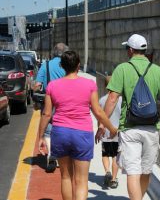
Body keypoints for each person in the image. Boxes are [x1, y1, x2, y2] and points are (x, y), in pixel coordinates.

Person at [103, 34, 160, 200]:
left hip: (130, 128)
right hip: (152, 128)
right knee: (146, 171)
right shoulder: (158, 71)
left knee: (133, 173)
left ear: (130, 50)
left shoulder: (122, 69)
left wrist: (103, 124)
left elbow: (112, 98)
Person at [38, 50, 117, 200]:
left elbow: (47, 114)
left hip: (60, 132)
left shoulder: (52, 86)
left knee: (66, 177)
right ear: (78, 65)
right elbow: (98, 111)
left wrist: (41, 136)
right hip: (82, 133)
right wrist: (111, 128)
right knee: (81, 181)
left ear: (62, 66)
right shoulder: (89, 84)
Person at [33, 43, 68, 172]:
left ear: (54, 52)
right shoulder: (67, 65)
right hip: (64, 102)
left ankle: (50, 155)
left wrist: (34, 91)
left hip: (49, 101)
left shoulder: (45, 65)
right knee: (62, 128)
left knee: (48, 130)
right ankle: (61, 156)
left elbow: (37, 85)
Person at [95, 76, 122, 189]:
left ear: (106, 86)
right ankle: (114, 179)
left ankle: (107, 171)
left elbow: (100, 117)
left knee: (106, 154)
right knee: (115, 156)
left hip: (105, 132)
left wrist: (99, 128)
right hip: (117, 132)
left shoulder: (101, 100)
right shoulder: (121, 100)